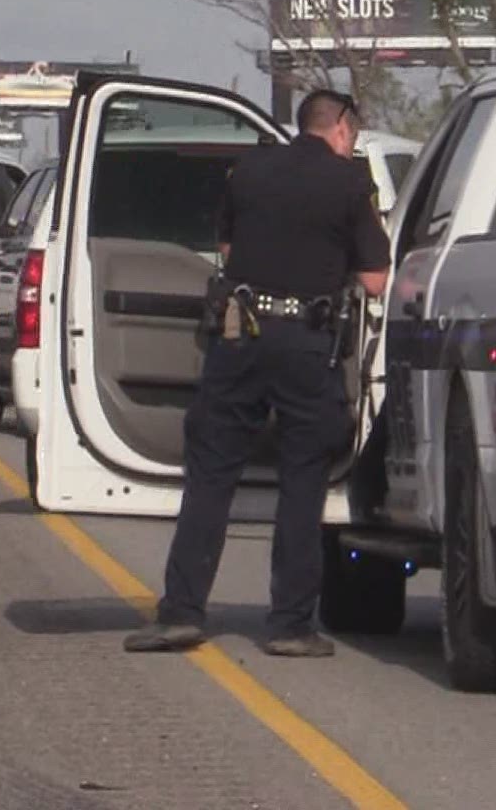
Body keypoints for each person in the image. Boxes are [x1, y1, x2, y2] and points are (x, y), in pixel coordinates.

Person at [124, 89, 391, 657]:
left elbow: (227, 246)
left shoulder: (249, 170)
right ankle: (290, 626)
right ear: (341, 127)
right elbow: (375, 281)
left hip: (239, 334)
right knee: (302, 481)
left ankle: (180, 614)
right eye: (355, 134)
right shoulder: (348, 184)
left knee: (211, 476)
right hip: (304, 343)